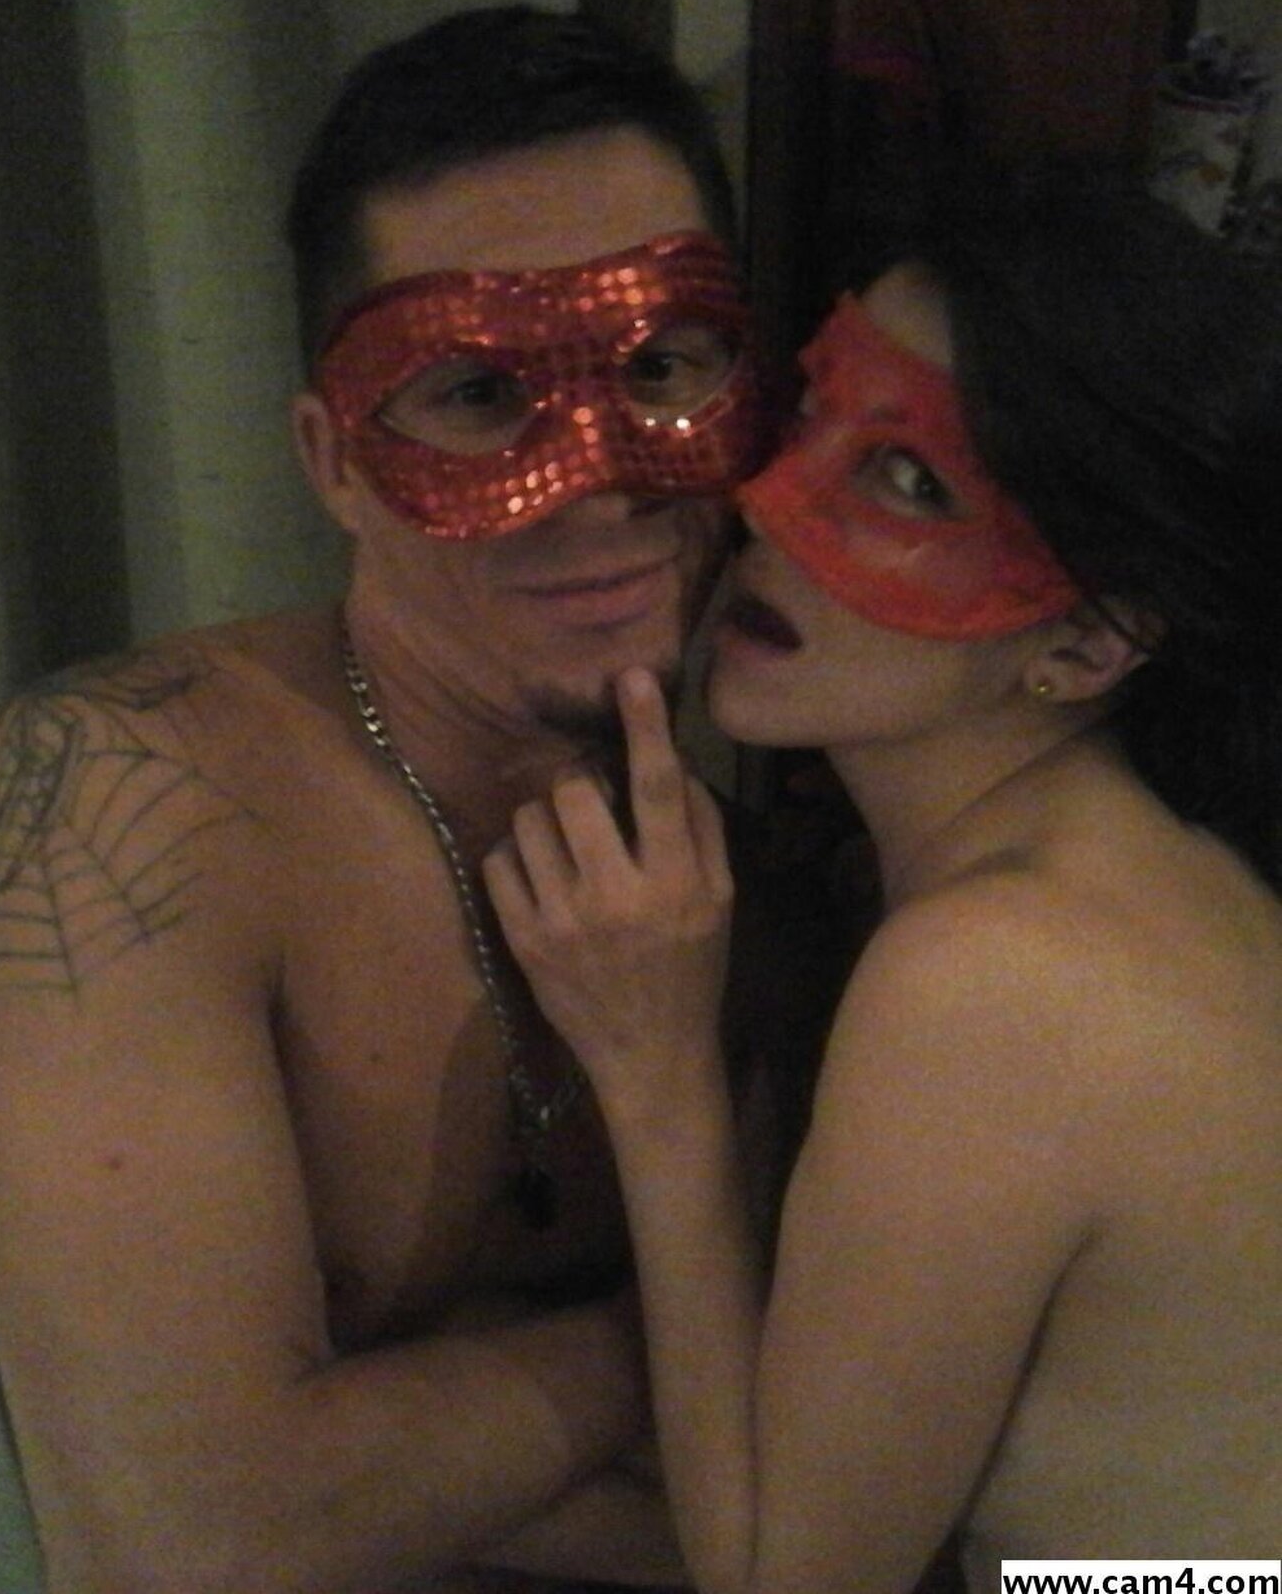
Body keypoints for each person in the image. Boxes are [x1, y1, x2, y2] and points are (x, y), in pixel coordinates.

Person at [0, 5, 765, 1590]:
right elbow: (185, 1544)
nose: (598, 482)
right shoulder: (131, 798)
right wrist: (698, 1308)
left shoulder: (802, 813)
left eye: (662, 365)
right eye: (477, 396)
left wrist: (401, 1432)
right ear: (332, 459)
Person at [483, 159, 1282, 1592]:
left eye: (909, 478)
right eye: (808, 413)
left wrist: (657, 1069)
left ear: (1091, 641)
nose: (771, 504)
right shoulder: (1156, 867)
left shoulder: (998, 976)